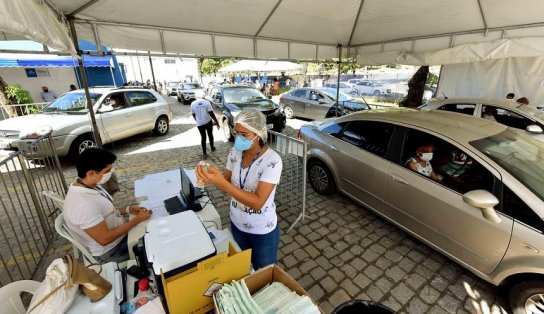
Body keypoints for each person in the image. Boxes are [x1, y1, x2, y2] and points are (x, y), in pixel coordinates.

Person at [196, 109, 283, 270]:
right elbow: (226, 184)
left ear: (258, 134)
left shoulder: (273, 161)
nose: (239, 138)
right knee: (243, 268)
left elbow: (258, 203)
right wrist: (211, 176)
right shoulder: (234, 153)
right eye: (237, 133)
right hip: (237, 224)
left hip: (262, 230)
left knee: (264, 271)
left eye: (245, 134)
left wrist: (222, 183)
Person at [63, 148, 152, 263]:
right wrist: (137, 220)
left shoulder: (87, 184)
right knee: (155, 243)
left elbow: (104, 212)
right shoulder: (83, 204)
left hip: (118, 239)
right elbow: (104, 239)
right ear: (91, 173)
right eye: (107, 170)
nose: (111, 172)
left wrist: (128, 209)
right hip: (111, 251)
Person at [191, 90, 219, 158]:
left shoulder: (193, 103)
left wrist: (197, 120)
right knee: (210, 135)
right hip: (208, 121)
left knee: (203, 137)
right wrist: (216, 121)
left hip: (199, 124)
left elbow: (193, 114)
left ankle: (204, 153)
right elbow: (211, 113)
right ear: (203, 95)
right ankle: (212, 147)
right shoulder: (207, 102)